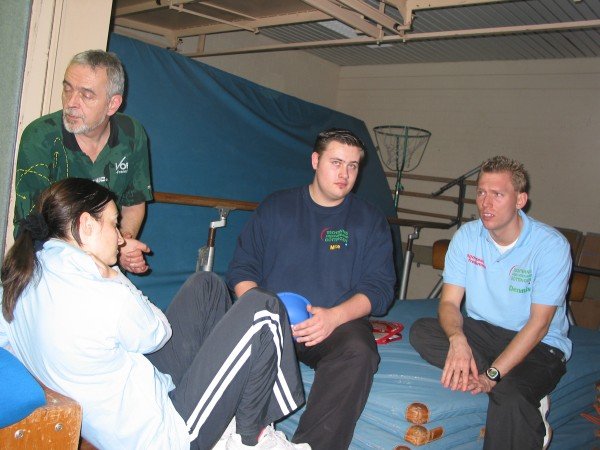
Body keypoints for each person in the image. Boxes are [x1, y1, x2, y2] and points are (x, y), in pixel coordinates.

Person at [0, 178, 311, 450]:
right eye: (114, 224)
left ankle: (228, 409)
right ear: (86, 226)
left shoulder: (22, 275)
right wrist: (114, 274)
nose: (120, 237)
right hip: (169, 435)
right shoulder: (103, 292)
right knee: (264, 308)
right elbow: (158, 333)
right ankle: (249, 436)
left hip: (135, 403)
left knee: (206, 286)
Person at [227, 129, 397, 450]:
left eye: (353, 166)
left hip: (334, 323)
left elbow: (380, 289)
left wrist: (334, 317)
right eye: (336, 163)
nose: (345, 174)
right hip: (272, 320)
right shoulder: (277, 208)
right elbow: (242, 269)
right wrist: (264, 314)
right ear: (316, 161)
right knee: (225, 334)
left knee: (359, 352)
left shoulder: (369, 221)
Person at [409, 156, 571, 450]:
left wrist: (492, 375)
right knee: (422, 330)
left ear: (520, 200)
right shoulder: (467, 237)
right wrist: (458, 340)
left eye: (498, 194)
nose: (486, 203)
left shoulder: (550, 245)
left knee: (509, 394)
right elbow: (449, 304)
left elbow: (539, 324)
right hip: (484, 332)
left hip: (539, 343)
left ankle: (522, 396)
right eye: (482, 192)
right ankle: (507, 378)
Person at [13, 49, 152, 274]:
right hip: (46, 262)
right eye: (67, 89)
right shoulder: (40, 138)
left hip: (102, 261)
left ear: (112, 104)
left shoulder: (132, 134)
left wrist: (123, 244)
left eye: (86, 95)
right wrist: (106, 249)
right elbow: (34, 225)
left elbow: (133, 204)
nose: (71, 102)